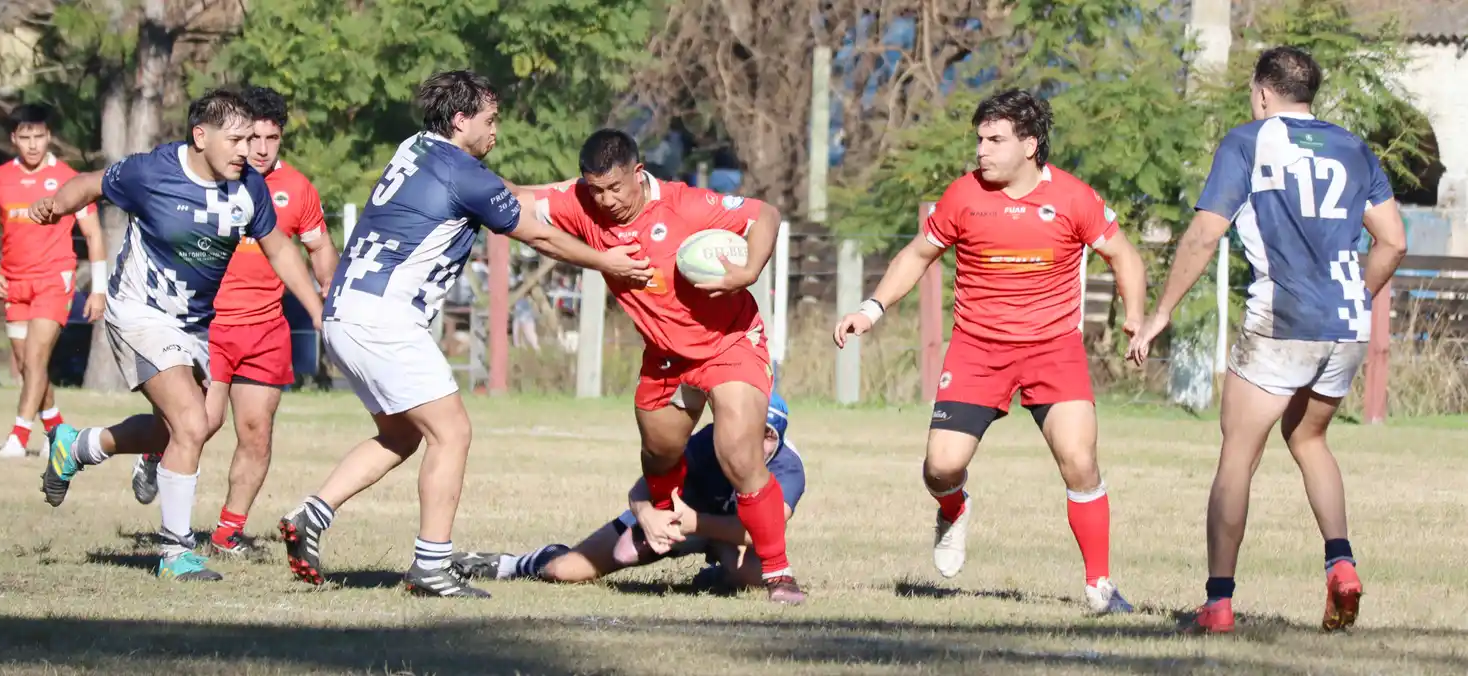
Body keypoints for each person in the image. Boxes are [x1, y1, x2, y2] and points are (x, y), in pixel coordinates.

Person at [277, 70, 652, 598]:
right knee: (451, 433)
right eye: (489, 119)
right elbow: (539, 232)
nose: (496, 131)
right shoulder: (463, 172)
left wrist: (569, 193)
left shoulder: (417, 149)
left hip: (346, 314)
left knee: (403, 434)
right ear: (460, 120)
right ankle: (431, 567)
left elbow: (511, 194)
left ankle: (312, 515)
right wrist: (606, 261)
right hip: (385, 320)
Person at [1126, 46, 1407, 634]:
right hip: (1347, 325)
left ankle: (1219, 604)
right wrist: (1355, 294)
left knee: (1239, 454)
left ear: (1261, 92)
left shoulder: (1249, 141)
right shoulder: (1355, 148)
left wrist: (1159, 316)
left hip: (1283, 322)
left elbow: (1204, 236)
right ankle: (1342, 564)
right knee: (1308, 440)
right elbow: (1394, 242)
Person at [833, 89, 1146, 614]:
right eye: (979, 138)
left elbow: (1124, 255)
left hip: (1054, 349)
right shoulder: (963, 196)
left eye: (995, 139)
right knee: (941, 467)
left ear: (1029, 145)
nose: (982, 149)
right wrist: (872, 308)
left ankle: (1100, 586)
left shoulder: (1073, 198)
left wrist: (1133, 315)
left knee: (1080, 460)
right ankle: (953, 509)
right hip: (978, 350)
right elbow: (917, 254)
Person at [31, 89, 326, 583]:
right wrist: (55, 205)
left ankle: (78, 446)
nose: (245, 149)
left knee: (186, 429)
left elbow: (281, 251)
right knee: (191, 423)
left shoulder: (249, 189)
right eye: (235, 139)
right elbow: (88, 183)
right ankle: (175, 552)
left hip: (194, 323)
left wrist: (317, 312)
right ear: (200, 136)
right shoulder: (153, 173)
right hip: (140, 314)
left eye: (252, 138)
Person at [532, 129, 804, 604]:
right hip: (665, 357)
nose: (605, 200)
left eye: (615, 188)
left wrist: (748, 270)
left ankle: (780, 575)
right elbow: (513, 202)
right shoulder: (581, 201)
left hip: (729, 344)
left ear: (639, 174)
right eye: (595, 190)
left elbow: (766, 214)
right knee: (659, 452)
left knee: (739, 453)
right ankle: (662, 514)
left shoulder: (687, 205)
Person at [126, 87, 341, 561]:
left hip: (266, 328)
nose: (260, 148)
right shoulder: (214, 180)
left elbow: (318, 246)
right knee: (202, 423)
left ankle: (227, 533)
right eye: (252, 137)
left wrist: (328, 295)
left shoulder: (298, 190)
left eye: (272, 138)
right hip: (211, 324)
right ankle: (153, 452)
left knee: (257, 430)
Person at [456, 390, 804, 590]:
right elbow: (642, 486)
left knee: (754, 575)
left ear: (781, 439)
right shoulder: (707, 442)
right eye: (750, 429)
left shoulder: (788, 468)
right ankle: (518, 563)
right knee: (565, 572)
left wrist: (694, 523)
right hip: (674, 519)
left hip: (710, 527)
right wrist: (648, 514)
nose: (754, 443)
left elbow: (762, 531)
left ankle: (715, 577)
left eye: (768, 436)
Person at [0, 103, 106, 459]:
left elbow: (93, 235)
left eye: (39, 137)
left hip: (54, 280)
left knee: (35, 359)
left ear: (49, 137)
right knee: (26, 364)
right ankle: (59, 434)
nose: (33, 145)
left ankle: (18, 438)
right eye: (25, 137)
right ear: (13, 139)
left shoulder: (69, 178)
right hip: (14, 284)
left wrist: (98, 289)